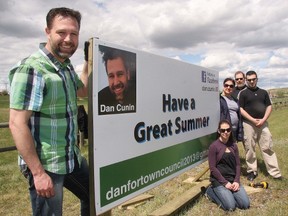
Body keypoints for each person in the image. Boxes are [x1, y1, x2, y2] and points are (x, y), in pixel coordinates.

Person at [9, 7, 90, 215]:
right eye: (62, 32)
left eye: (74, 34)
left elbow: (82, 89)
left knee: (95, 195)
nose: (68, 39)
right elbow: (17, 123)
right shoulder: (32, 68)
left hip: (70, 157)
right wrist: (38, 173)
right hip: (46, 164)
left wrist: (88, 62)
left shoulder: (66, 66)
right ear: (48, 32)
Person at [238, 70, 282, 181]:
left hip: (263, 124)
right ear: (246, 80)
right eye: (249, 80)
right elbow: (241, 109)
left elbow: (269, 106)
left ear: (257, 79)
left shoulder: (264, 92)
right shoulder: (243, 93)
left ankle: (275, 173)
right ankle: (252, 171)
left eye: (253, 79)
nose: (251, 81)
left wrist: (263, 120)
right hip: (248, 124)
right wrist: (252, 120)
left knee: (267, 147)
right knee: (250, 148)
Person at [205, 119, 250, 211]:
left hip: (232, 180)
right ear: (219, 131)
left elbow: (238, 164)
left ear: (230, 130)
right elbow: (212, 168)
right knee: (230, 207)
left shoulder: (233, 145)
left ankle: (229, 195)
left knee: (245, 205)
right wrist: (225, 183)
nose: (225, 132)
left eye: (228, 130)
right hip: (219, 181)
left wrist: (236, 181)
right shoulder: (214, 146)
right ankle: (210, 191)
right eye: (223, 130)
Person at [98, 45, 136, 115]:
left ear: (128, 74)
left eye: (120, 74)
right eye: (111, 76)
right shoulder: (100, 99)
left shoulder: (138, 94)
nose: (116, 83)